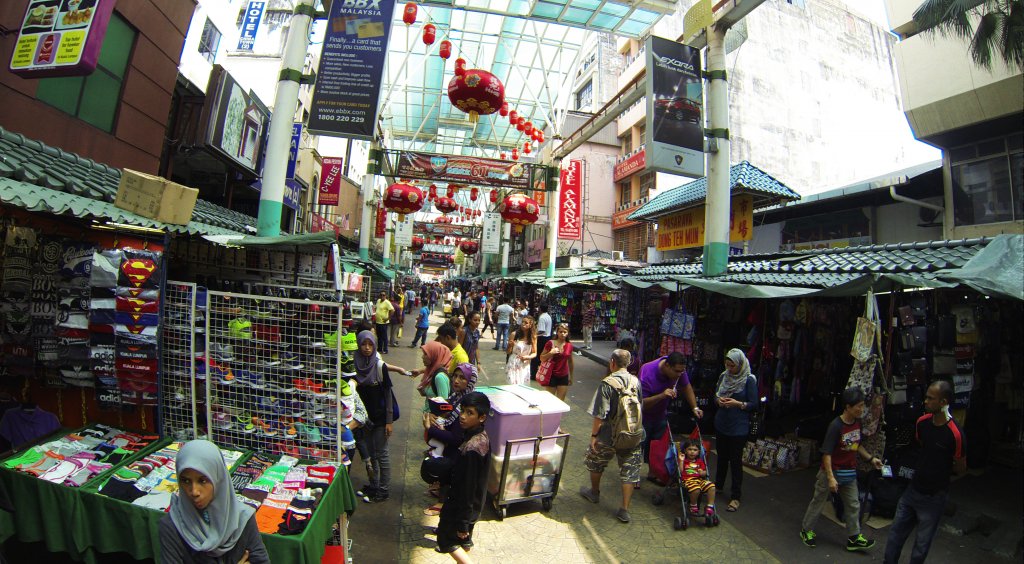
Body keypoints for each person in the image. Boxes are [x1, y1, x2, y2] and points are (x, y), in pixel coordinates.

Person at [883, 381, 966, 564]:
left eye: (931, 398)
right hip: (913, 490)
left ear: (943, 402)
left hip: (934, 498)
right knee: (895, 536)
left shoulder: (955, 434)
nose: (926, 401)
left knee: (921, 546)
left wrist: (940, 469)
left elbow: (960, 467)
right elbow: (923, 447)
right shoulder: (922, 422)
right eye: (926, 397)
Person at [800, 387, 883, 552]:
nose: (862, 409)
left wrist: (871, 459)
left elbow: (855, 445)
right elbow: (827, 454)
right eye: (858, 406)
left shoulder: (857, 424)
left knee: (853, 504)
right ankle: (806, 530)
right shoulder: (836, 426)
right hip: (830, 471)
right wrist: (831, 478)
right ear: (848, 407)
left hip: (849, 471)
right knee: (818, 501)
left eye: (862, 405)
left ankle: (854, 538)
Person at [159, 440, 270, 564]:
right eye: (185, 481)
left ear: (219, 478)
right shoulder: (171, 526)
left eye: (202, 481)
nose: (194, 491)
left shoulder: (242, 518)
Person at [579, 349, 644, 524]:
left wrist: (594, 436)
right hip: (631, 434)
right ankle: (625, 509)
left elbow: (600, 413)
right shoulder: (636, 382)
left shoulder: (607, 383)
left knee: (595, 461)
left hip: (608, 434)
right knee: (629, 470)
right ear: (629, 363)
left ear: (612, 362)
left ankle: (594, 492)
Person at [434, 392, 491, 563]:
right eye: (463, 411)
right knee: (463, 541)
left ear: (482, 417)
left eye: (469, 413)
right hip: (472, 506)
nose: (463, 417)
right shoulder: (478, 436)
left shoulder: (473, 448)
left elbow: (468, 488)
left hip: (462, 507)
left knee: (445, 540)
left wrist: (463, 523)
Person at [421, 363, 478, 516]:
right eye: (455, 376)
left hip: (456, 453)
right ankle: (441, 496)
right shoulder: (456, 397)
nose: (456, 381)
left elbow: (456, 437)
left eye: (462, 378)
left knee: (448, 477)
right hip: (448, 449)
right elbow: (448, 418)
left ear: (470, 381)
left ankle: (443, 504)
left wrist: (430, 428)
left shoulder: (467, 404)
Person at [639, 352, 703, 476]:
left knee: (658, 448)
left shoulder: (679, 371)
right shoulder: (647, 372)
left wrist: (695, 407)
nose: (679, 375)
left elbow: (687, 387)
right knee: (638, 447)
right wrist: (662, 396)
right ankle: (634, 477)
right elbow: (642, 404)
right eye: (676, 371)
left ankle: (653, 473)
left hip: (661, 415)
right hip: (643, 417)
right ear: (667, 366)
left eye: (681, 372)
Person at [353, 331, 399, 503]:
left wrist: (389, 422)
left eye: (370, 344)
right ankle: (373, 485)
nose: (367, 348)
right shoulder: (354, 364)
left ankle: (384, 489)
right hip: (363, 418)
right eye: (364, 344)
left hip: (380, 417)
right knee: (370, 453)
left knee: (381, 453)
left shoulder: (380, 366)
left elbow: (388, 395)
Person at [714, 349, 759, 513]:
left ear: (740, 365)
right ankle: (718, 486)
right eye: (727, 365)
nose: (729, 369)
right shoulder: (724, 377)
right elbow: (716, 394)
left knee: (735, 461)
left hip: (738, 427)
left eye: (732, 366)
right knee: (721, 456)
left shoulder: (749, 380)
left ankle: (735, 496)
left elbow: (755, 404)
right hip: (722, 423)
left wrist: (738, 404)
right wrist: (718, 400)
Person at [679, 439, 716, 517]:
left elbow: (705, 473)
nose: (692, 452)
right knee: (696, 489)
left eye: (695, 450)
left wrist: (702, 473)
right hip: (688, 480)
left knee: (712, 487)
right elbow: (680, 472)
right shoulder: (684, 461)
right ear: (685, 451)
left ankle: (709, 506)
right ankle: (693, 505)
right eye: (690, 449)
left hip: (699, 480)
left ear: (698, 451)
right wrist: (681, 461)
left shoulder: (699, 461)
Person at [538, 323, 574, 401]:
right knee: (550, 400)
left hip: (563, 375)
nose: (562, 334)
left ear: (567, 333)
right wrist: (551, 353)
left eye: (565, 332)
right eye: (561, 332)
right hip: (551, 375)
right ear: (557, 332)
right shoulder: (550, 343)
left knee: (561, 401)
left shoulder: (569, 346)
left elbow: (570, 362)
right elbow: (541, 357)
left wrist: (571, 377)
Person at [505, 316, 536, 386]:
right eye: (522, 322)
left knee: (522, 385)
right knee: (511, 384)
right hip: (513, 363)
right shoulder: (514, 334)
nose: (523, 324)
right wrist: (510, 345)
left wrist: (527, 357)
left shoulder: (533, 337)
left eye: (526, 323)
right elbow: (508, 352)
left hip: (524, 364)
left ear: (530, 326)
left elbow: (534, 353)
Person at [531, 304, 553, 380]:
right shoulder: (548, 316)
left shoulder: (542, 317)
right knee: (544, 357)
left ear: (540, 309)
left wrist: (534, 333)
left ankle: (534, 374)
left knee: (536, 357)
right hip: (547, 338)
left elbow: (542, 330)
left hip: (542, 339)